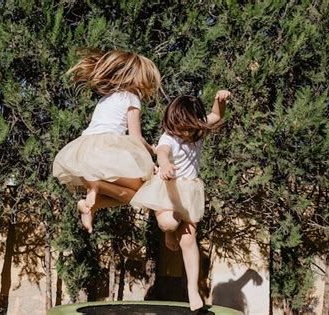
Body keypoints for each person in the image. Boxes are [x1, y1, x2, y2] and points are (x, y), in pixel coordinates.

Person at [130, 90, 231, 311]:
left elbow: (217, 115)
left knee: (188, 239)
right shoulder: (168, 137)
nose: (184, 132)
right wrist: (164, 164)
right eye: (180, 126)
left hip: (190, 191)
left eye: (189, 127)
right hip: (168, 188)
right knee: (169, 223)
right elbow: (163, 152)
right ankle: (167, 233)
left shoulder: (198, 131)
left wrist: (218, 101)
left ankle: (193, 291)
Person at [53, 49, 161, 233]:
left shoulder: (105, 99)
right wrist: (152, 151)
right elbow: (135, 137)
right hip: (108, 150)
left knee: (127, 194)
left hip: (86, 150)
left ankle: (90, 205)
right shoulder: (132, 98)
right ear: (135, 77)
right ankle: (96, 186)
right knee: (140, 192)